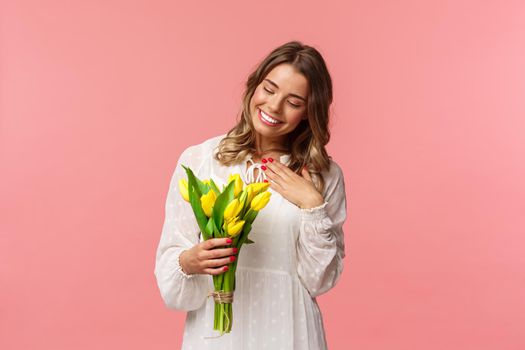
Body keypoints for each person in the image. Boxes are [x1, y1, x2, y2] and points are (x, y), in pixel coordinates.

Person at [154, 40, 347, 350]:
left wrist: (312, 205)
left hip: (290, 329)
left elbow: (318, 281)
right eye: (269, 90)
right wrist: (190, 261)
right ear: (254, 86)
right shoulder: (201, 160)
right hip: (216, 333)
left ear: (308, 112)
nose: (273, 106)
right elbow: (171, 278)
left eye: (293, 101)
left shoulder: (323, 175)